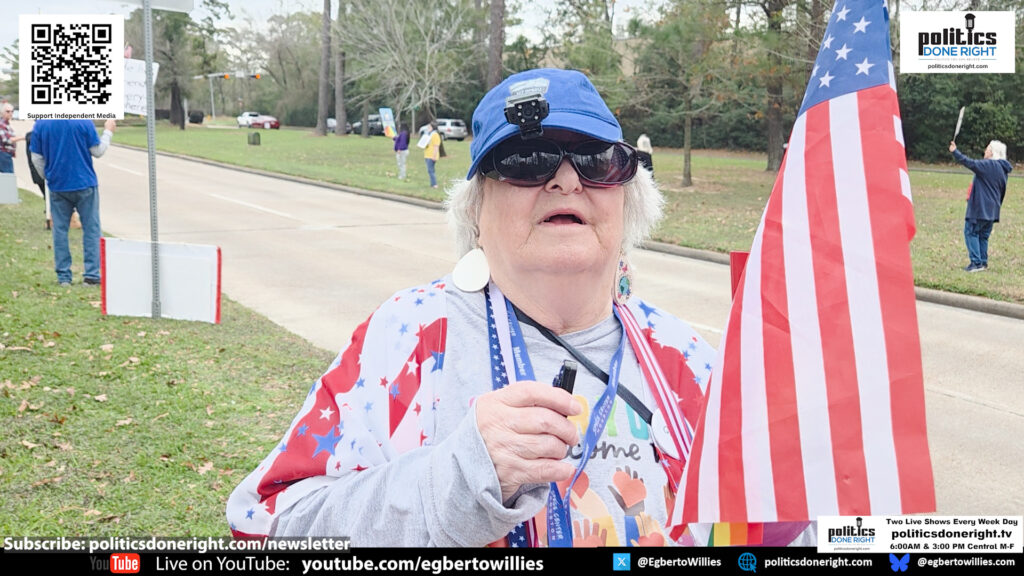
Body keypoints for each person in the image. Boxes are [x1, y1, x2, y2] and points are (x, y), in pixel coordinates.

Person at [227, 68, 810, 547]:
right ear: (475, 212)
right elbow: (267, 525)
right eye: (526, 161)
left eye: (595, 161)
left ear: (629, 202)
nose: (564, 182)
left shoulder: (687, 359)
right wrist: (460, 477)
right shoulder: (411, 336)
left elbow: (772, 529)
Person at [30, 119, 117, 286]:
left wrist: (48, 176)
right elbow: (97, 151)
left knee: (60, 230)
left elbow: (36, 157)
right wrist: (108, 131)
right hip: (84, 182)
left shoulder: (41, 124)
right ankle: (91, 275)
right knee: (91, 228)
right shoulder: (84, 122)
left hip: (58, 185)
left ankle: (64, 276)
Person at [949, 140, 1012, 272]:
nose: (985, 151)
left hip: (980, 207)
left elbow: (970, 163)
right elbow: (1002, 191)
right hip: (993, 209)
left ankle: (976, 263)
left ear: (993, 152)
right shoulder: (1003, 169)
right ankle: (982, 262)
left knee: (970, 231)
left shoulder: (988, 165)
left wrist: (955, 151)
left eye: (988, 148)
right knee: (983, 235)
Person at [0, 102, 25, 173]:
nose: (10, 113)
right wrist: (23, 137)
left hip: (6, 154)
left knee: (5, 178)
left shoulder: (6, 124)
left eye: (12, 111)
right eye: (8, 111)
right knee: (9, 177)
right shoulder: (1, 124)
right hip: (3, 154)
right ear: (2, 112)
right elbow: (6, 140)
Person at [424, 121, 441, 188]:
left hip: (431, 155)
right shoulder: (429, 134)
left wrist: (434, 156)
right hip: (427, 154)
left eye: (429, 127)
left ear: (433, 127)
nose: (428, 128)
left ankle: (434, 184)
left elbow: (436, 146)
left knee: (431, 170)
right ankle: (432, 184)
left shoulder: (435, 135)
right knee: (429, 170)